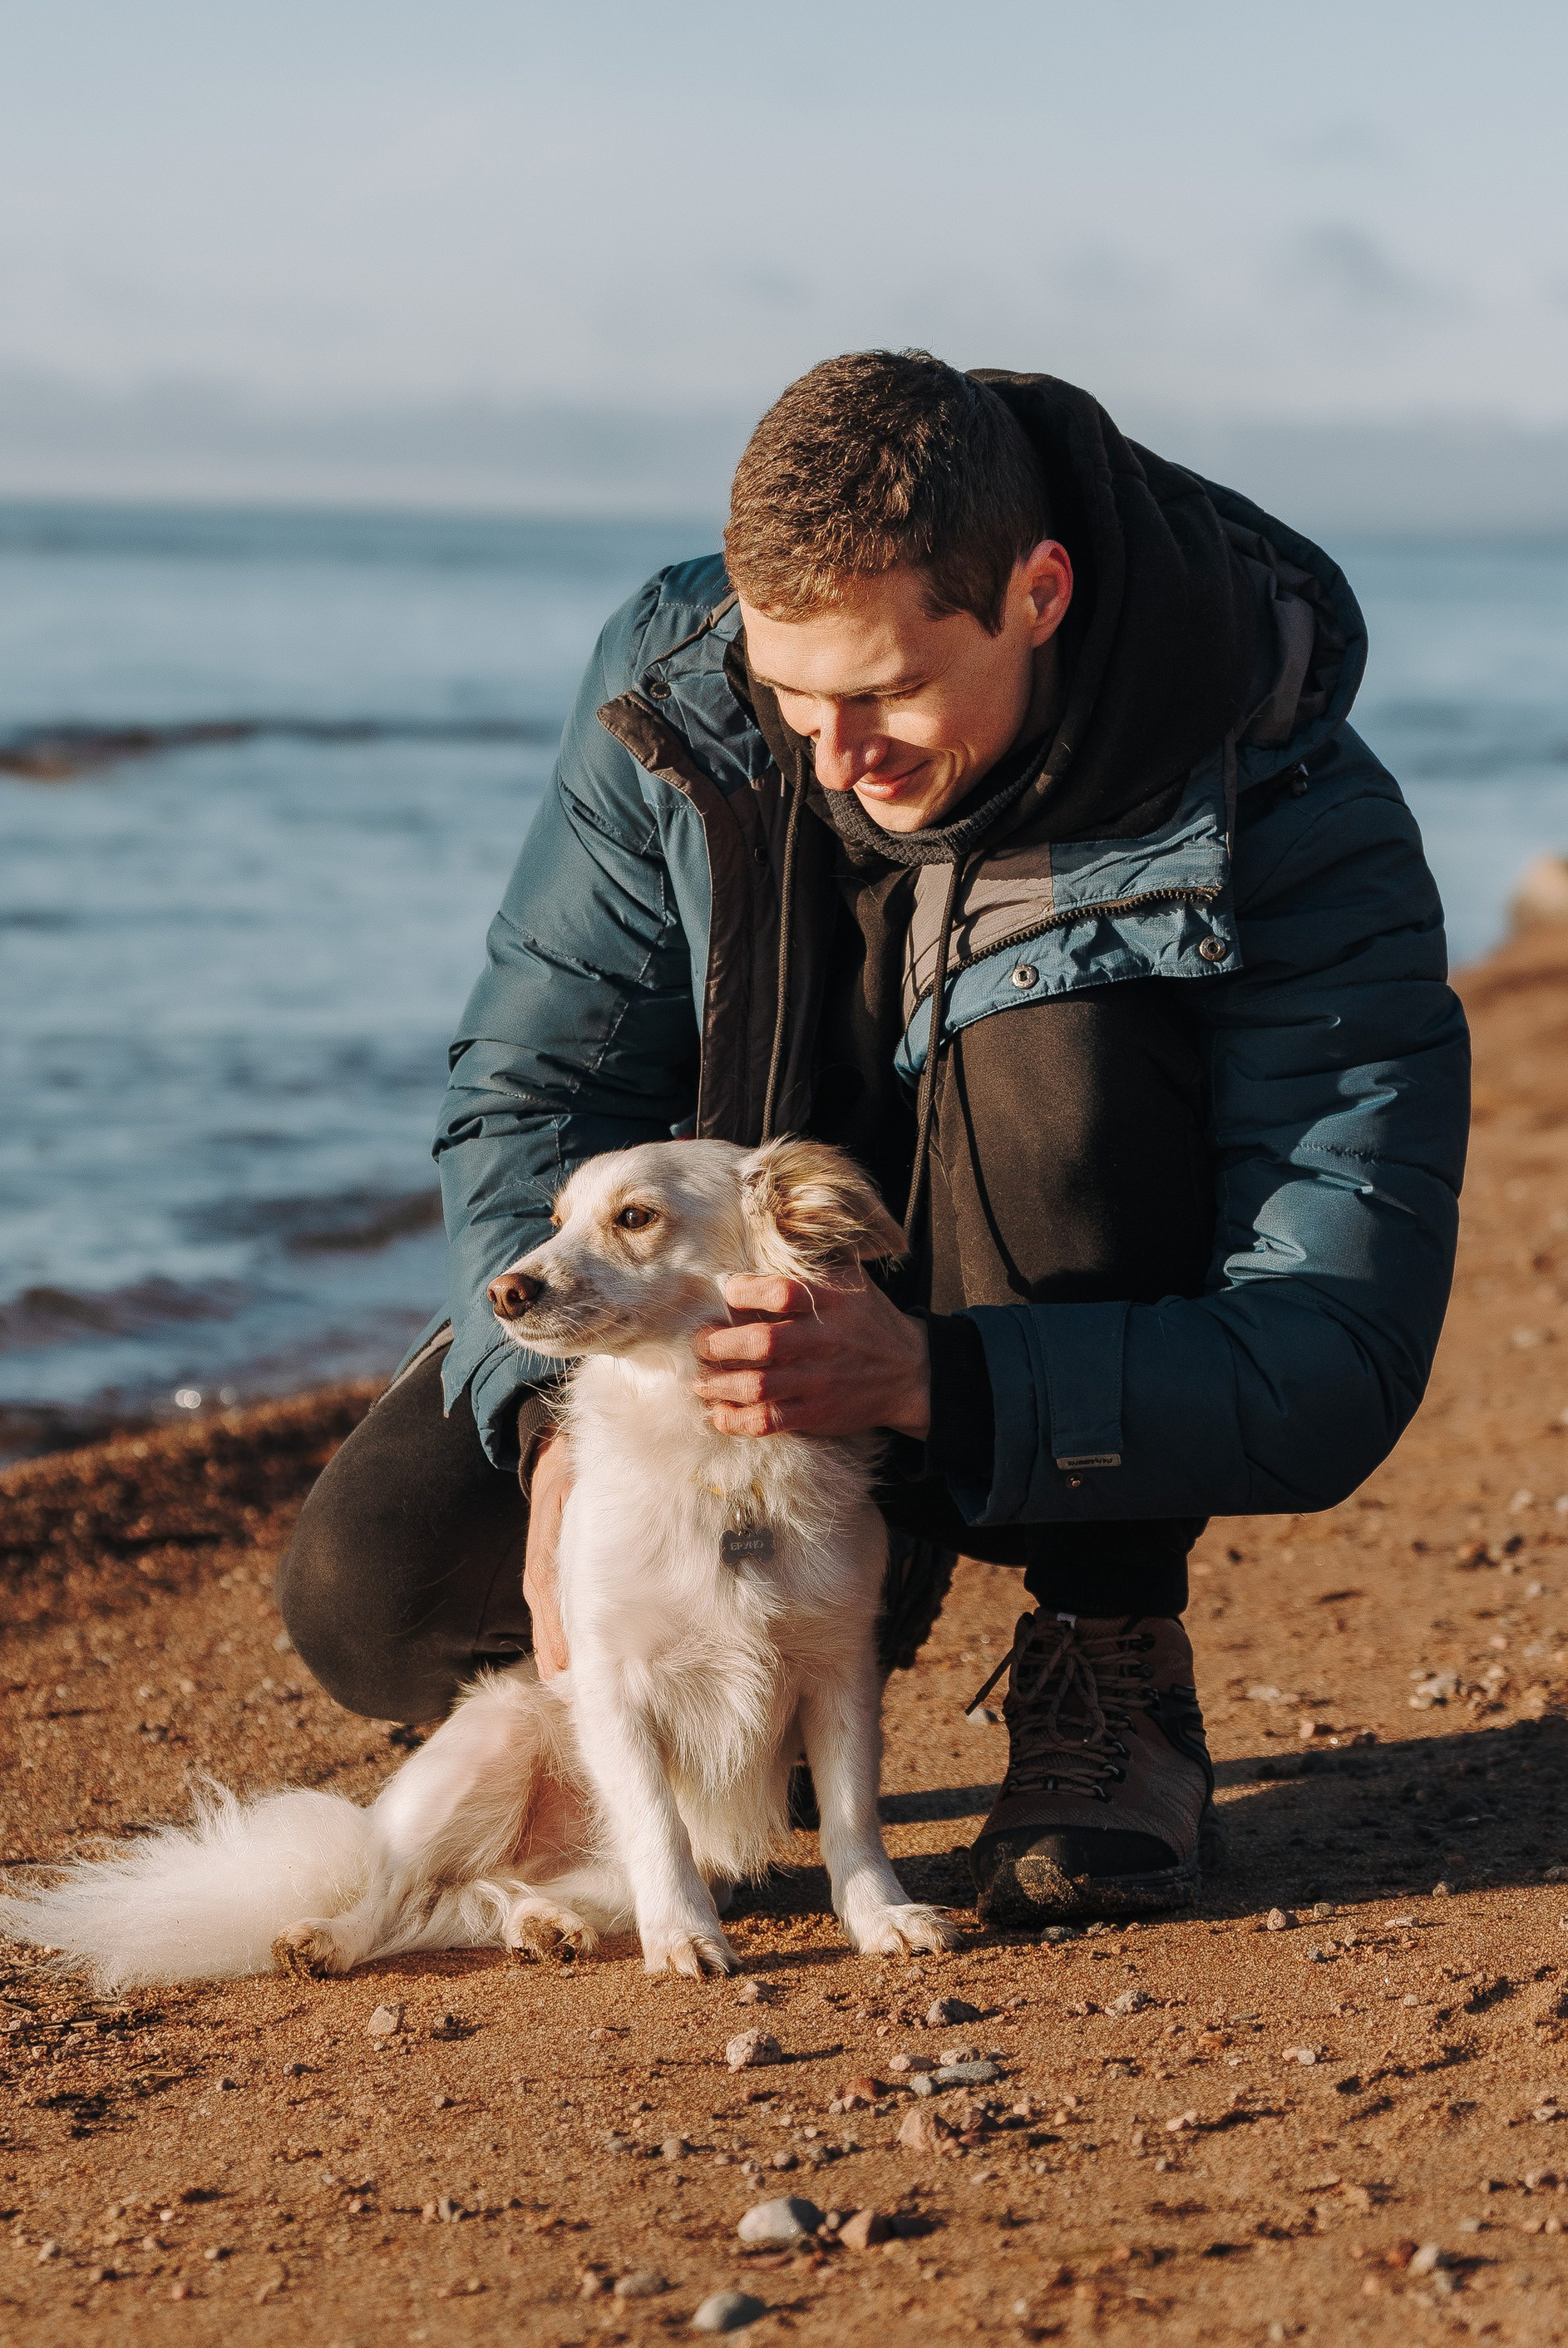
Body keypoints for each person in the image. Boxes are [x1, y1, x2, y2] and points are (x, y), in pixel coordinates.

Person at [278, 353, 1471, 1926]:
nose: (833, 752)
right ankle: (735, 1697)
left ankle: (1103, 1643)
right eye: (794, 694)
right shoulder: (679, 686)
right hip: (721, 1360)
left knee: (1057, 1047)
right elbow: (532, 1091)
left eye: (889, 691)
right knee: (376, 1588)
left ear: (1039, 593)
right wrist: (550, 1423)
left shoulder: (1293, 802)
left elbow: (1334, 1345)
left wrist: (923, 1379)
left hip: (1016, 1364)